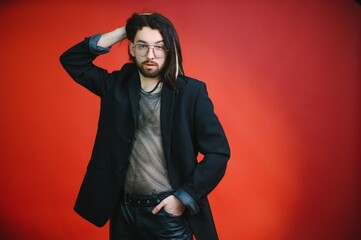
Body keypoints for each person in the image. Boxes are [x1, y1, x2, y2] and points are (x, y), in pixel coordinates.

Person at [60, 12, 230, 240]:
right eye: (142, 46)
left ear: (169, 50)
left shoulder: (190, 92)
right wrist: (125, 30)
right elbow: (72, 60)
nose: (151, 55)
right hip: (123, 211)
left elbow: (218, 153)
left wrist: (183, 198)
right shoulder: (115, 86)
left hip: (168, 214)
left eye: (159, 47)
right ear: (131, 49)